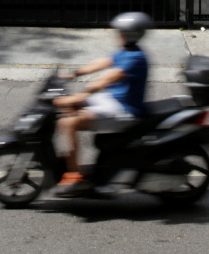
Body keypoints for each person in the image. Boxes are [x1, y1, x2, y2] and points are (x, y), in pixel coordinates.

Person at [52, 11, 151, 197]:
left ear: (129, 34)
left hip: (123, 110)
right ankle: (74, 165)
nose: (117, 35)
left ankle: (75, 177)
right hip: (111, 101)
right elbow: (101, 62)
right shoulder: (126, 52)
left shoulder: (135, 58)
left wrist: (77, 97)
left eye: (120, 32)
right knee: (68, 111)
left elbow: (105, 79)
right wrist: (74, 74)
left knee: (68, 122)